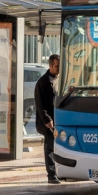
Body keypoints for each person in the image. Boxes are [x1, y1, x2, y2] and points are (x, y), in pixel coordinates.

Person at [35, 54, 61, 183]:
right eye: (56, 66)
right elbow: (40, 104)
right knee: (49, 147)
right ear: (50, 65)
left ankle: (59, 172)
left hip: (59, 119)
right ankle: (51, 175)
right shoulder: (43, 82)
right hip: (48, 122)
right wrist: (47, 120)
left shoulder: (61, 80)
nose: (58, 69)